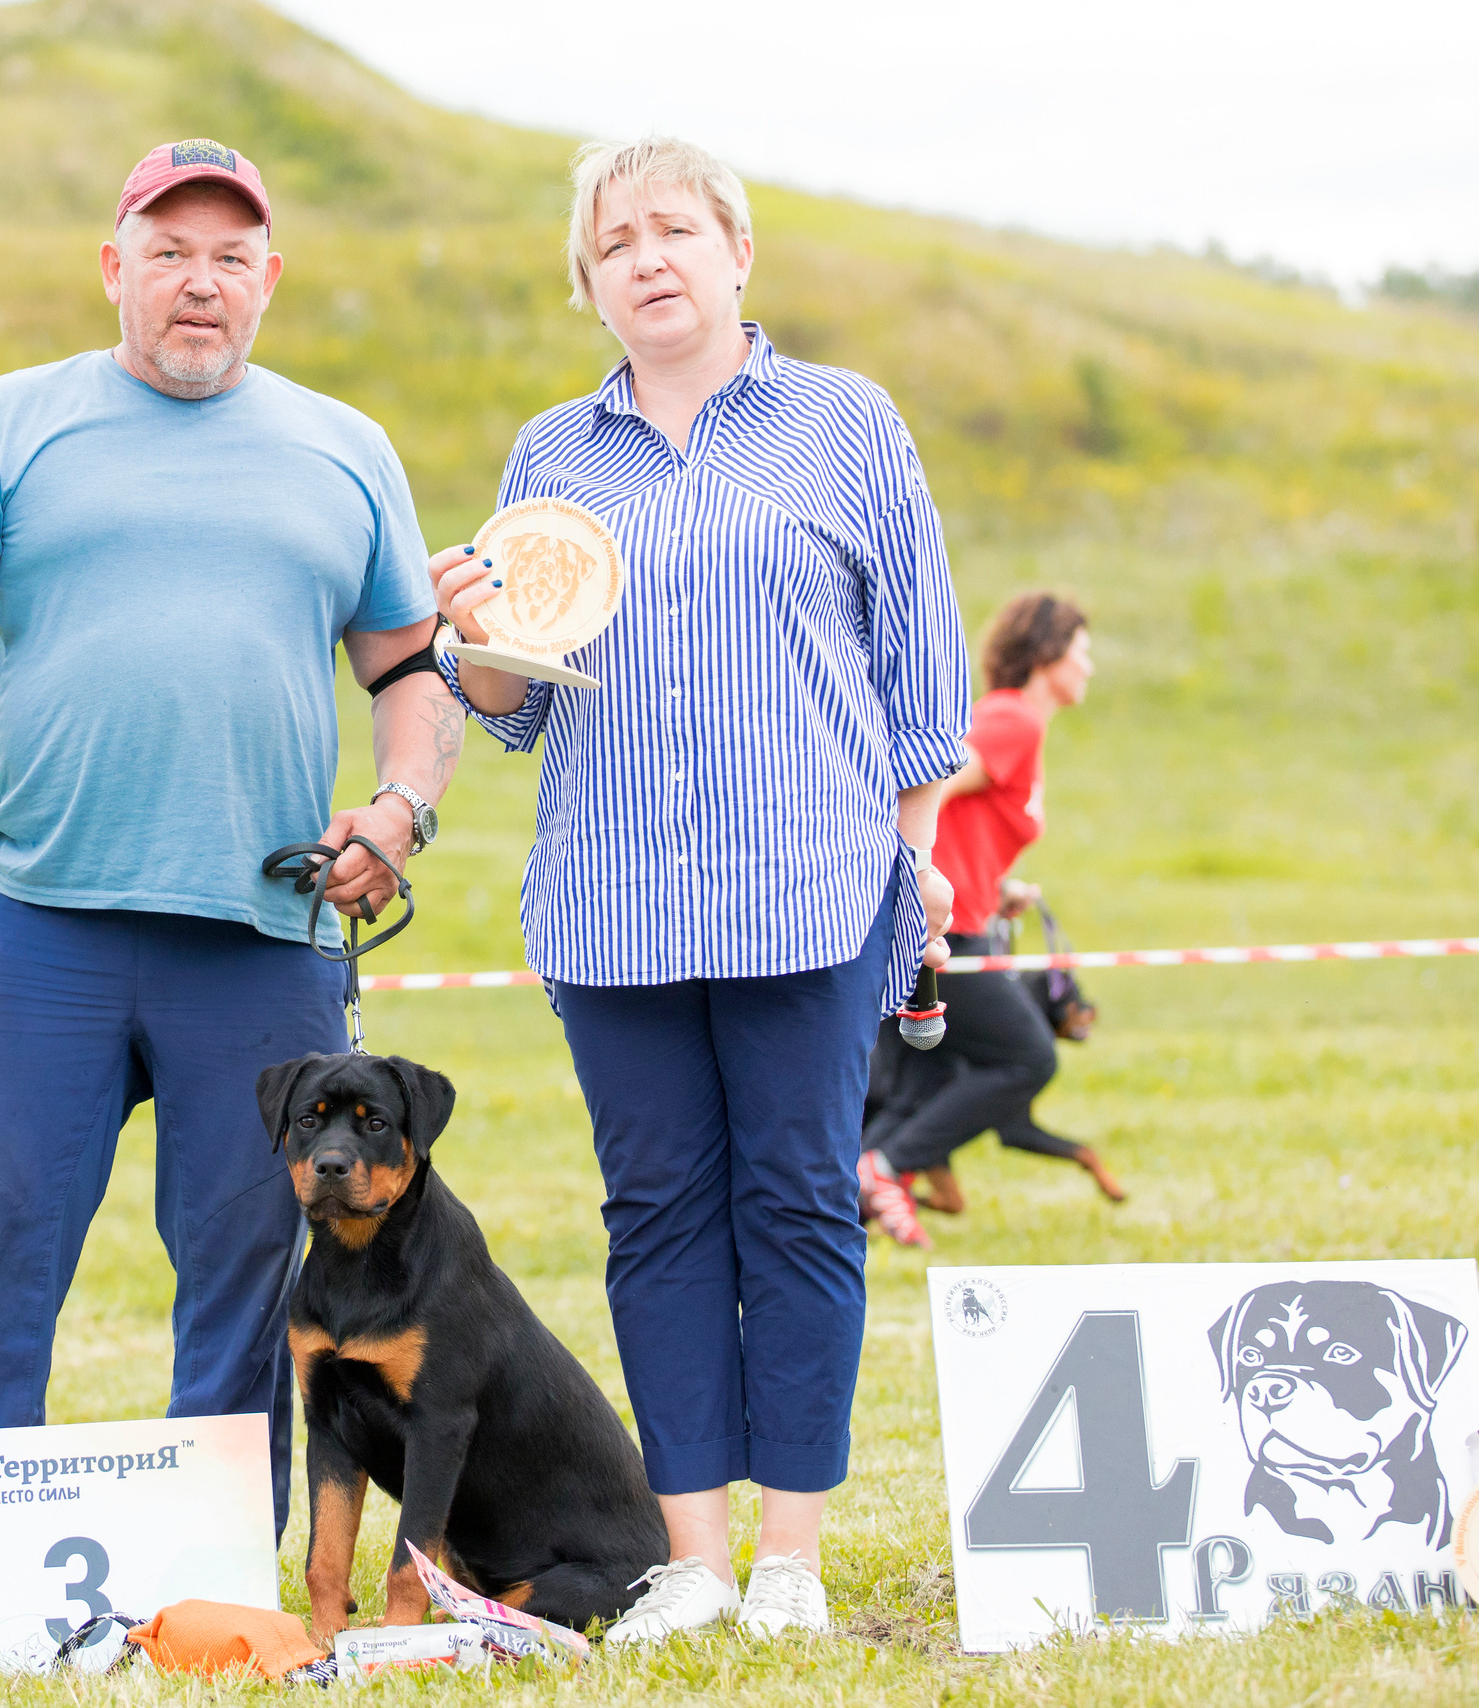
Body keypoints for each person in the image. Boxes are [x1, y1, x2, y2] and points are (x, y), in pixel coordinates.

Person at [0, 139, 460, 1535]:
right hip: (39, 925)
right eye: (172, 252)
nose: (202, 283)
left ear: (270, 279)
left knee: (250, 1268)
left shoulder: (345, 448)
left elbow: (411, 676)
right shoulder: (7, 425)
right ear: (114, 265)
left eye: (231, 257)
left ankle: (215, 1571)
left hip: (264, 941)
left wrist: (402, 809)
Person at [430, 136, 966, 1641]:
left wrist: (915, 857)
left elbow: (925, 678)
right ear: (590, 284)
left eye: (675, 229)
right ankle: (698, 1563)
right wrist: (468, 632)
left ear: (737, 250)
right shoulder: (551, 457)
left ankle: (789, 1562)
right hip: (614, 907)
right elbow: (515, 702)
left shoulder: (848, 426)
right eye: (615, 243)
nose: (648, 258)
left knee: (797, 1205)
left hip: (812, 890)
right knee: (657, 1215)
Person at [855, 594, 1121, 1246]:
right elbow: (919, 789)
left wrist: (995, 885)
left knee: (916, 1086)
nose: (1089, 666)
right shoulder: (1012, 722)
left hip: (961, 916)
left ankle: (845, 1202)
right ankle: (885, 1168)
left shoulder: (1018, 726)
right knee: (1027, 1056)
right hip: (938, 932)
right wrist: (917, 881)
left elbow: (962, 822)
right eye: (1082, 651)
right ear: (1049, 654)